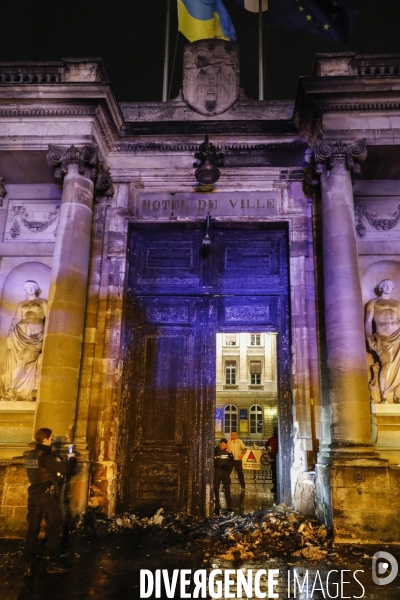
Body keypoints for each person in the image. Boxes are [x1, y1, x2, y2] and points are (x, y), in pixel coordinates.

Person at [24, 427, 76, 576]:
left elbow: (40, 473)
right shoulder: (46, 456)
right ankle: (53, 562)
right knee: (54, 527)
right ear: (45, 439)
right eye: (51, 438)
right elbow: (65, 469)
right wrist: (71, 458)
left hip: (33, 495)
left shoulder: (31, 455)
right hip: (47, 497)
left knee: (32, 530)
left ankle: (29, 565)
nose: (52, 440)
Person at [1, 280, 47, 401]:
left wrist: (47, 334)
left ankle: (15, 389)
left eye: (32, 286)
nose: (30, 288)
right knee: (19, 361)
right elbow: (15, 319)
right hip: (19, 335)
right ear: (25, 289)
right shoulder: (21, 304)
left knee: (24, 360)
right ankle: (15, 389)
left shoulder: (43, 302)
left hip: (35, 338)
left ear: (36, 288)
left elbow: (50, 318)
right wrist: (9, 336)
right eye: (27, 287)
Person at [365, 279, 400, 403]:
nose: (388, 287)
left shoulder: (397, 304)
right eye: (385, 285)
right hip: (384, 338)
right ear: (381, 287)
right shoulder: (373, 302)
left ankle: (398, 395)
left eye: (390, 286)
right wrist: (369, 338)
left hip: (398, 336)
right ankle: (385, 394)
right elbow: (368, 322)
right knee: (388, 364)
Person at [214, 438, 234, 515]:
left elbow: (232, 460)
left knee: (227, 487)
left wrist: (230, 453)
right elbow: (213, 460)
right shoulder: (216, 450)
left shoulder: (227, 450)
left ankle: (229, 503)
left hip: (225, 472)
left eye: (225, 445)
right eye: (222, 445)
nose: (224, 447)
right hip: (218, 471)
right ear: (220, 444)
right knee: (216, 487)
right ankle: (217, 503)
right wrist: (217, 466)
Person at [265, 426, 278, 493]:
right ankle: (275, 485)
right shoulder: (271, 439)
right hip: (274, 457)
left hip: (279, 457)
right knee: (274, 472)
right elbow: (266, 445)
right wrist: (269, 451)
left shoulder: (281, 438)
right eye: (275, 431)